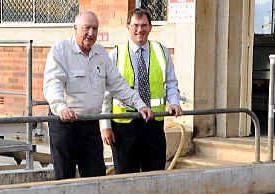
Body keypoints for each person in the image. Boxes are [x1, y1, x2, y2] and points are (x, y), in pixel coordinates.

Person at [43, 11, 154, 180]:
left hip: (90, 126)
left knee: (96, 176)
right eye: (86, 28)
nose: (91, 33)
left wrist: (140, 105)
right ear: (75, 28)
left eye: (95, 29)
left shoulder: (101, 54)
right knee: (65, 177)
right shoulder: (61, 50)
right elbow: (53, 83)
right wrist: (61, 107)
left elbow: (119, 85)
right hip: (65, 125)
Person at [101, 8, 183, 174]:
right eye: (135, 25)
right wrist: (105, 125)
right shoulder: (115, 54)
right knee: (125, 177)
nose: (140, 30)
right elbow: (106, 93)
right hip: (124, 125)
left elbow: (171, 83)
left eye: (144, 25)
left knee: (155, 174)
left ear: (150, 27)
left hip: (153, 125)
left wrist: (174, 102)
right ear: (128, 27)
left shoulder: (161, 51)